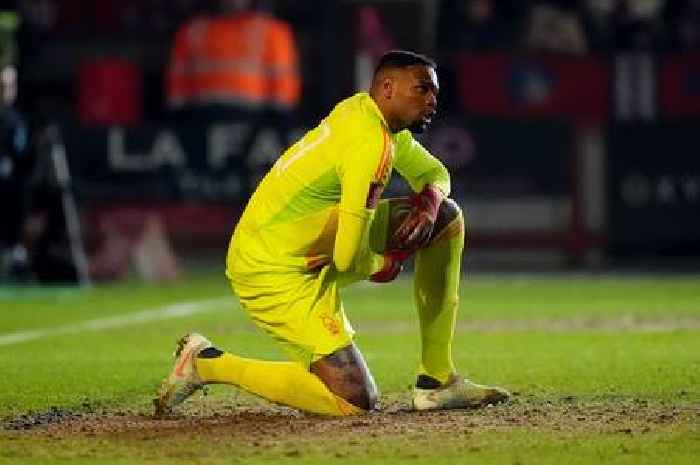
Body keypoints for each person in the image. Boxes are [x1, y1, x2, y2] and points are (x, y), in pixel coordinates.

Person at [154, 50, 510, 416]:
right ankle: (206, 362)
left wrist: (430, 201)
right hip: (271, 268)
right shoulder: (369, 142)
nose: (433, 101)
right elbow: (346, 257)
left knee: (445, 219)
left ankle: (437, 381)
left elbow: (437, 173)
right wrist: (381, 264)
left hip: (305, 242)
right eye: (422, 90)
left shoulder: (369, 115)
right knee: (353, 401)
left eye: (434, 92)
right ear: (387, 88)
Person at [165, 0, 301, 121]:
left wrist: (277, 122)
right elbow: (178, 91)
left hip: (256, 122)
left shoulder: (273, 32)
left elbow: (284, 89)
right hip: (200, 121)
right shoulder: (191, 32)